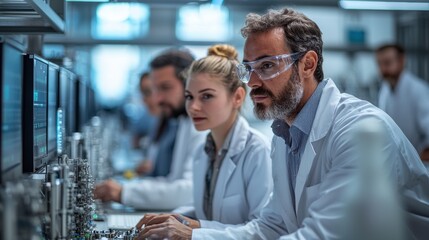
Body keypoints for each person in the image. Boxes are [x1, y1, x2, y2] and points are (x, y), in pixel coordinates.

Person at [138, 8, 429, 239]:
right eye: (248, 68)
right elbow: (272, 227)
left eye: (267, 65)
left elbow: (322, 235)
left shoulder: (357, 130)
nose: (252, 82)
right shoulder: (285, 133)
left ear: (308, 64)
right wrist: (194, 235)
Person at [135, 44, 273, 238]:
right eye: (189, 97)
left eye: (206, 96)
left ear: (237, 97)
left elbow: (264, 230)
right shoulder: (203, 150)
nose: (193, 107)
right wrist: (175, 218)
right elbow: (209, 211)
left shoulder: (258, 151)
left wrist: (195, 232)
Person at [94, 49, 207, 210]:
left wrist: (124, 192)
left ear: (190, 84)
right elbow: (172, 180)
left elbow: (189, 191)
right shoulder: (182, 121)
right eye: (155, 90)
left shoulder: (200, 127)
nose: (156, 98)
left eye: (166, 88)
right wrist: (127, 189)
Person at [376, 44, 429, 161]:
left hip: (421, 164)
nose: (383, 70)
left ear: (402, 61)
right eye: (380, 64)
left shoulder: (418, 90)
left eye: (388, 63)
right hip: (398, 162)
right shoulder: (384, 91)